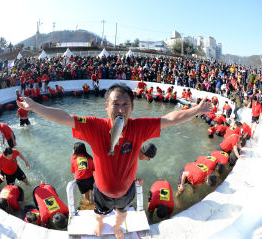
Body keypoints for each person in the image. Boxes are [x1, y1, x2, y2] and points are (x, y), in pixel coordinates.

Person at [16, 83, 212, 239]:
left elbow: (170, 119)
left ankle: (117, 227)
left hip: (127, 190)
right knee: (99, 214)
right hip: (101, 190)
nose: (120, 109)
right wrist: (34, 106)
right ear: (106, 106)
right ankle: (100, 224)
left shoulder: (139, 127)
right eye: (115, 104)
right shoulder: (94, 126)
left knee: (122, 214)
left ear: (132, 107)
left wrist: (197, 109)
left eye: (125, 104)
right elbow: (65, 117)